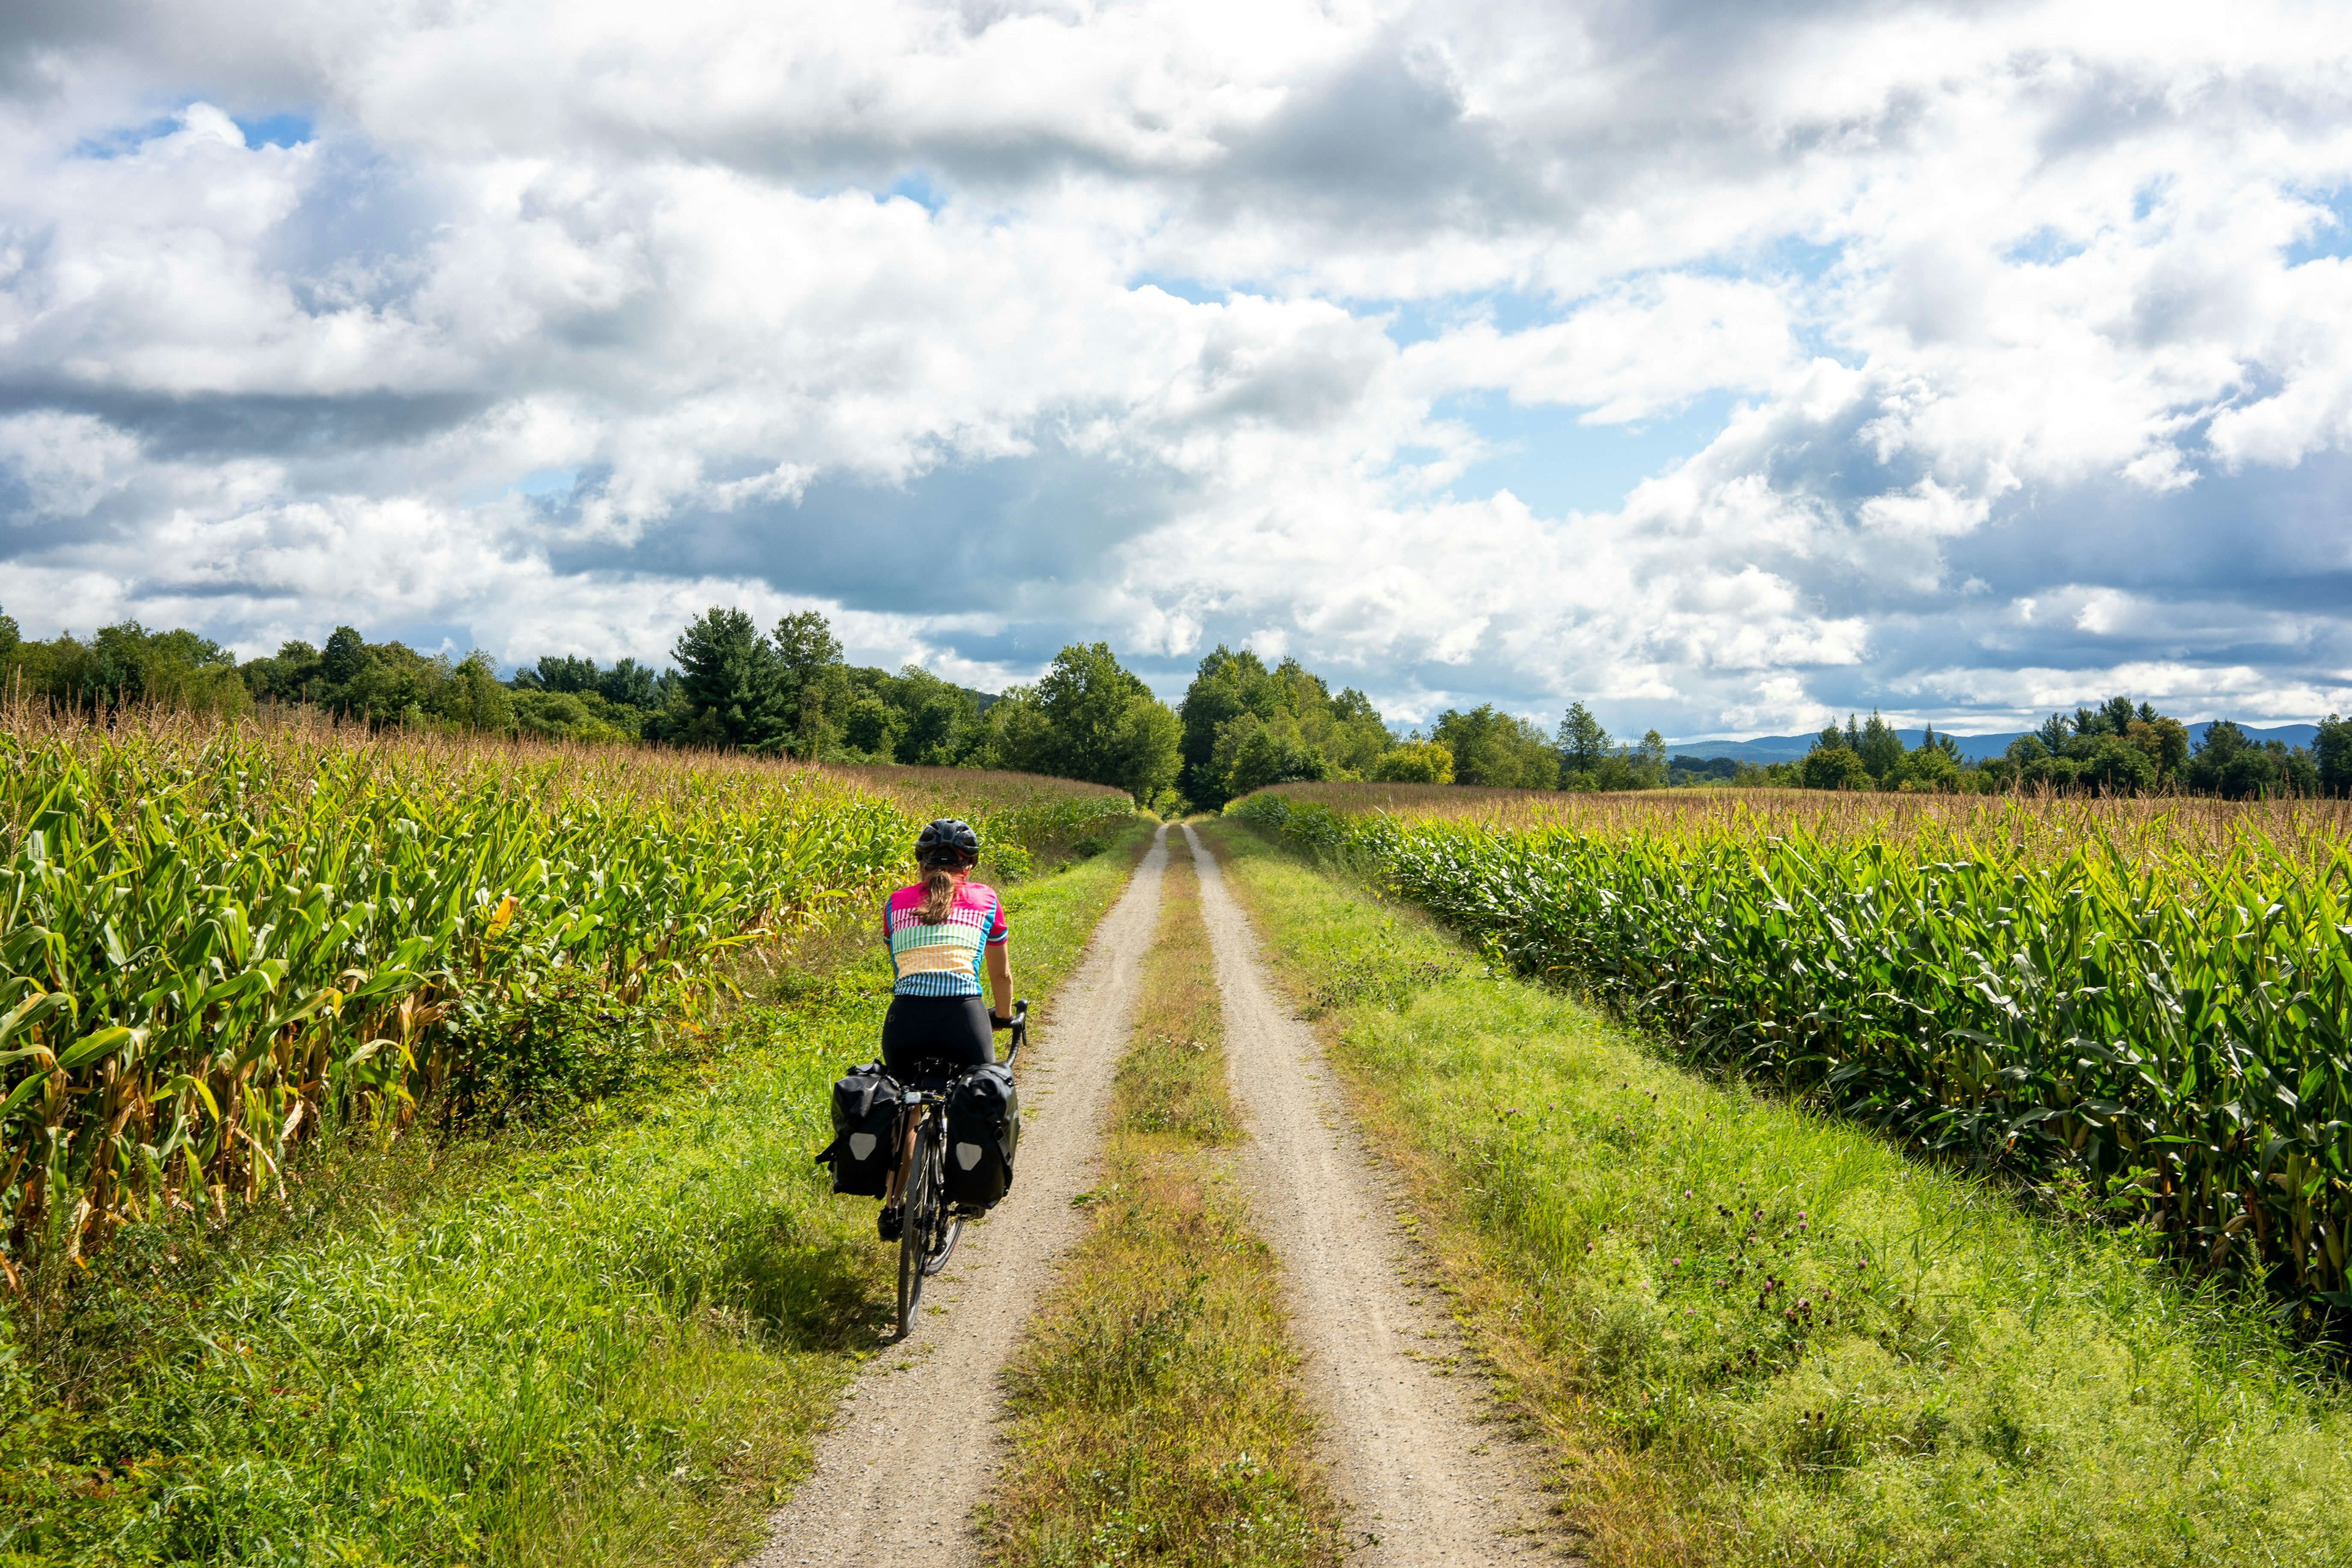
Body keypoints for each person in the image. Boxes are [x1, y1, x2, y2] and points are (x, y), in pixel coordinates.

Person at [880, 818, 1016, 1073]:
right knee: (980, 1096)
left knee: (905, 1095)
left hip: (905, 1020)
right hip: (964, 1017)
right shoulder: (986, 898)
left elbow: (899, 969)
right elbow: (1001, 974)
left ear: (922, 864)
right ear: (969, 866)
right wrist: (1002, 1016)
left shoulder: (895, 902)